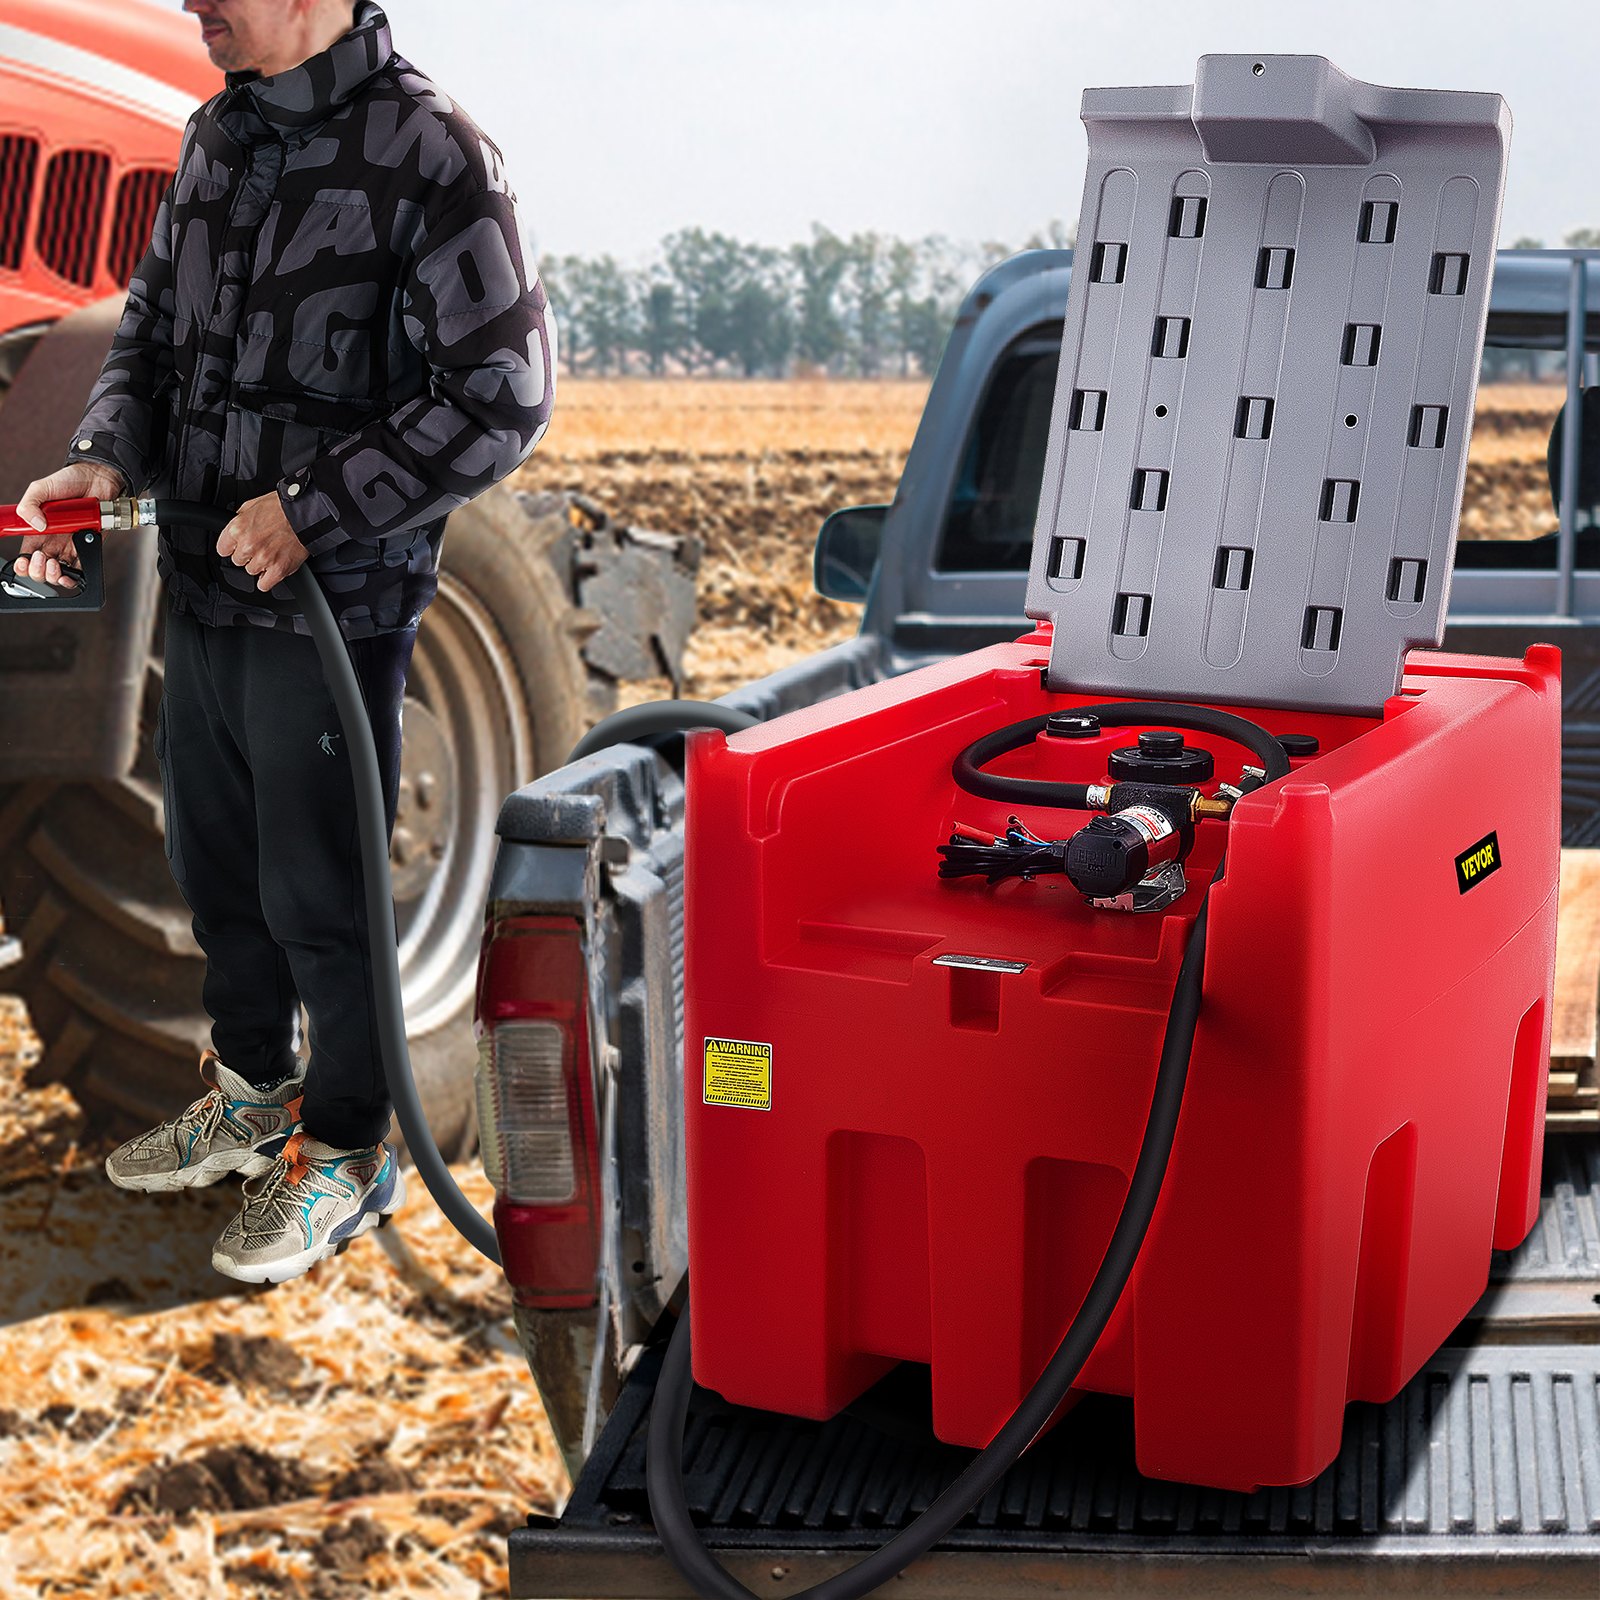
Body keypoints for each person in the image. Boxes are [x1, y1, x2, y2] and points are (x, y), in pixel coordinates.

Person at [10, 0, 555, 1284]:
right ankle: (255, 1091)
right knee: (214, 863)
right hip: (202, 575)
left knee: (321, 885)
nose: (194, 0)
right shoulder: (215, 137)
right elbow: (146, 332)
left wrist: (317, 512)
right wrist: (97, 457)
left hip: (335, 597)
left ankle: (349, 1151)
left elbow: (502, 391)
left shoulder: (433, 155)